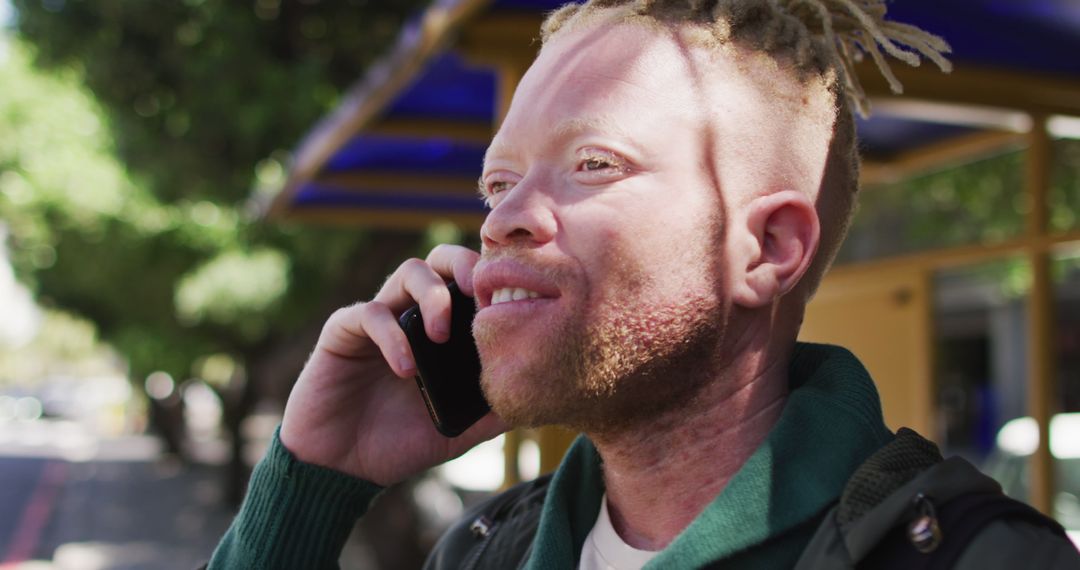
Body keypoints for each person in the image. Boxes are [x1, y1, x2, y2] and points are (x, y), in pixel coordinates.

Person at [209, 1, 1080, 568]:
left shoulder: (979, 561)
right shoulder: (487, 552)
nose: (501, 221)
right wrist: (312, 483)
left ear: (769, 248)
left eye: (593, 163)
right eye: (497, 182)